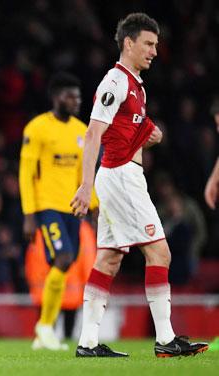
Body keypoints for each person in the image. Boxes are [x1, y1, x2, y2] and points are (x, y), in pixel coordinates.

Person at [70, 13, 208, 357]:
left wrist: (149, 134)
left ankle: (87, 343)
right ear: (128, 43)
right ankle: (165, 340)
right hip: (121, 178)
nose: (154, 51)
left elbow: (126, 129)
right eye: (148, 44)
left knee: (109, 260)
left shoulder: (135, 85)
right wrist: (85, 186)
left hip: (119, 175)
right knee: (160, 252)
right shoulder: (114, 83)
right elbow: (92, 134)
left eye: (157, 45)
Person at [19, 72, 98, 350]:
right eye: (70, 96)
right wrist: (29, 214)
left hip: (73, 210)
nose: (76, 101)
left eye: (78, 96)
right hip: (46, 207)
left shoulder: (81, 131)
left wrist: (95, 206)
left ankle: (44, 332)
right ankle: (44, 326)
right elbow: (26, 173)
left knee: (64, 264)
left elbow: (84, 174)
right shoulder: (38, 128)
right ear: (56, 97)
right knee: (63, 258)